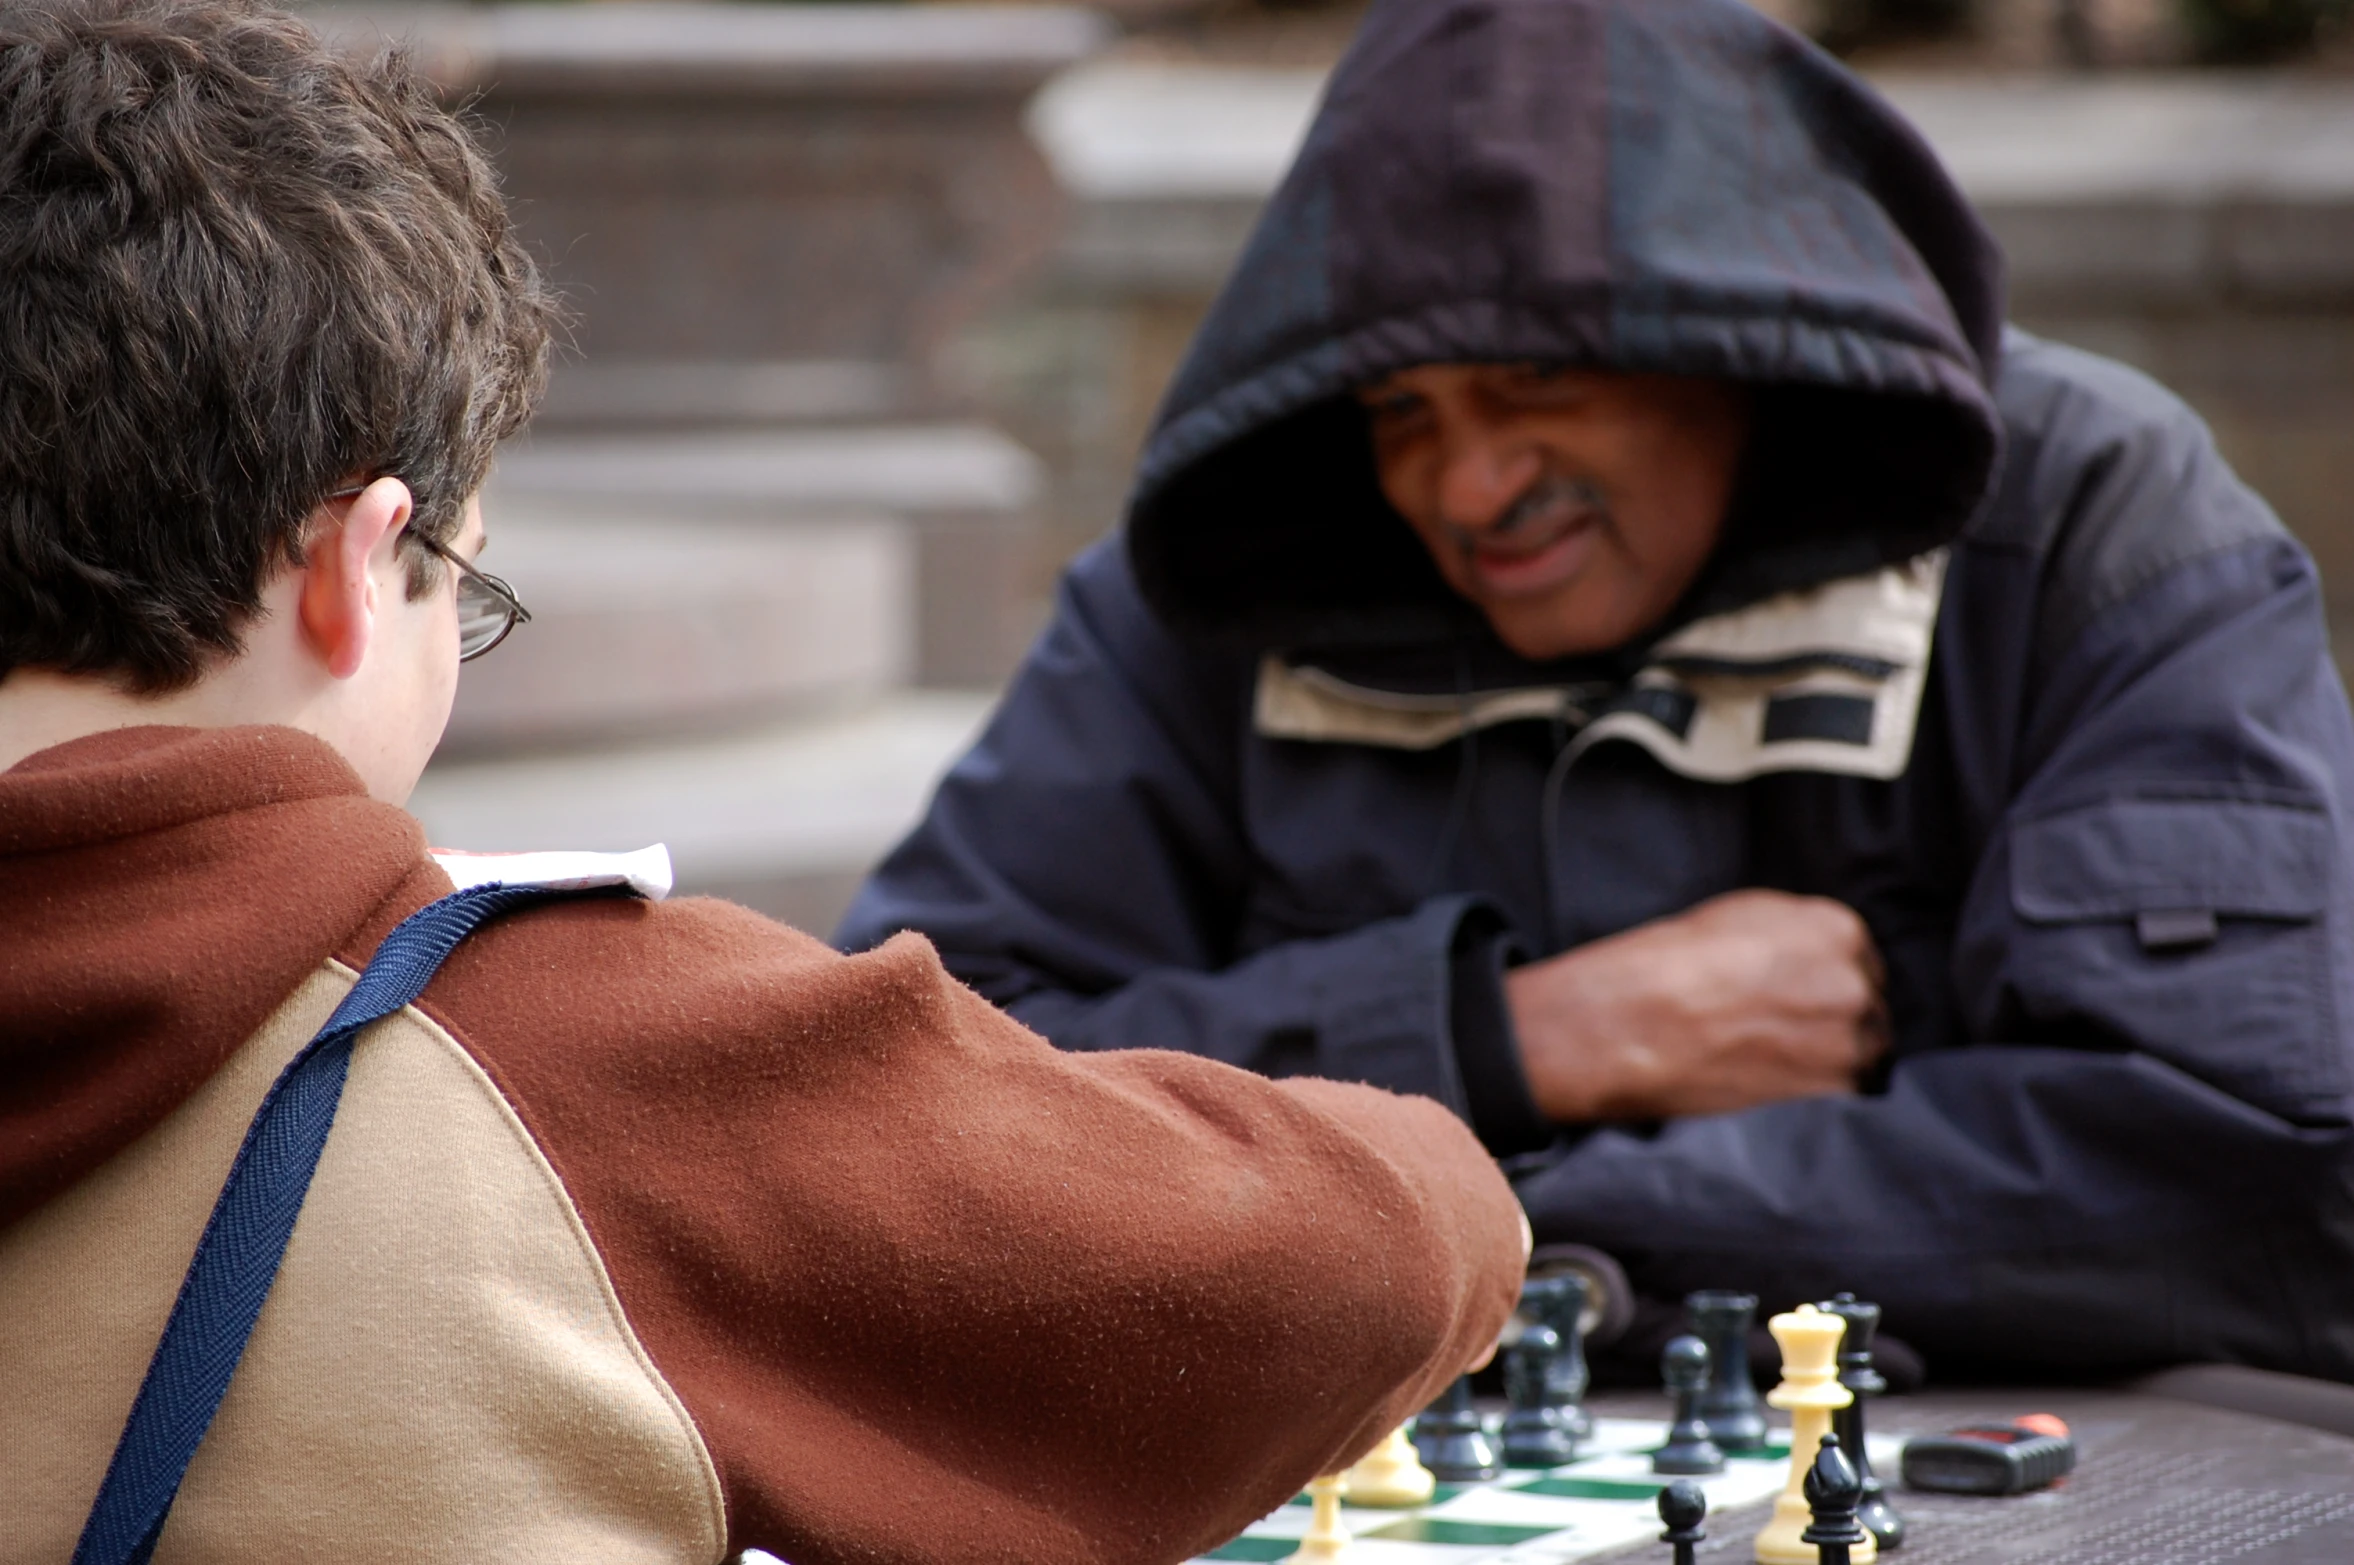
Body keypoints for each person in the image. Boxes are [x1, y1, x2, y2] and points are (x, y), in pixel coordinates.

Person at [0, 4, 1528, 1560]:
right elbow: (1316, 1276)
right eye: (461, 586)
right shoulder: (556, 1054)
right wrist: (1476, 1136)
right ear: (357, 562)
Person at [841, 0, 2354, 1384]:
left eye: (1535, 386)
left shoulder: (2091, 521)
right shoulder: (1223, 578)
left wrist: (1499, 1228)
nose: (1468, 486)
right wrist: (1505, 1038)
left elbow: (2247, 1162)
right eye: (1400, 414)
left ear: (1737, 346)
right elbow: (909, 1111)